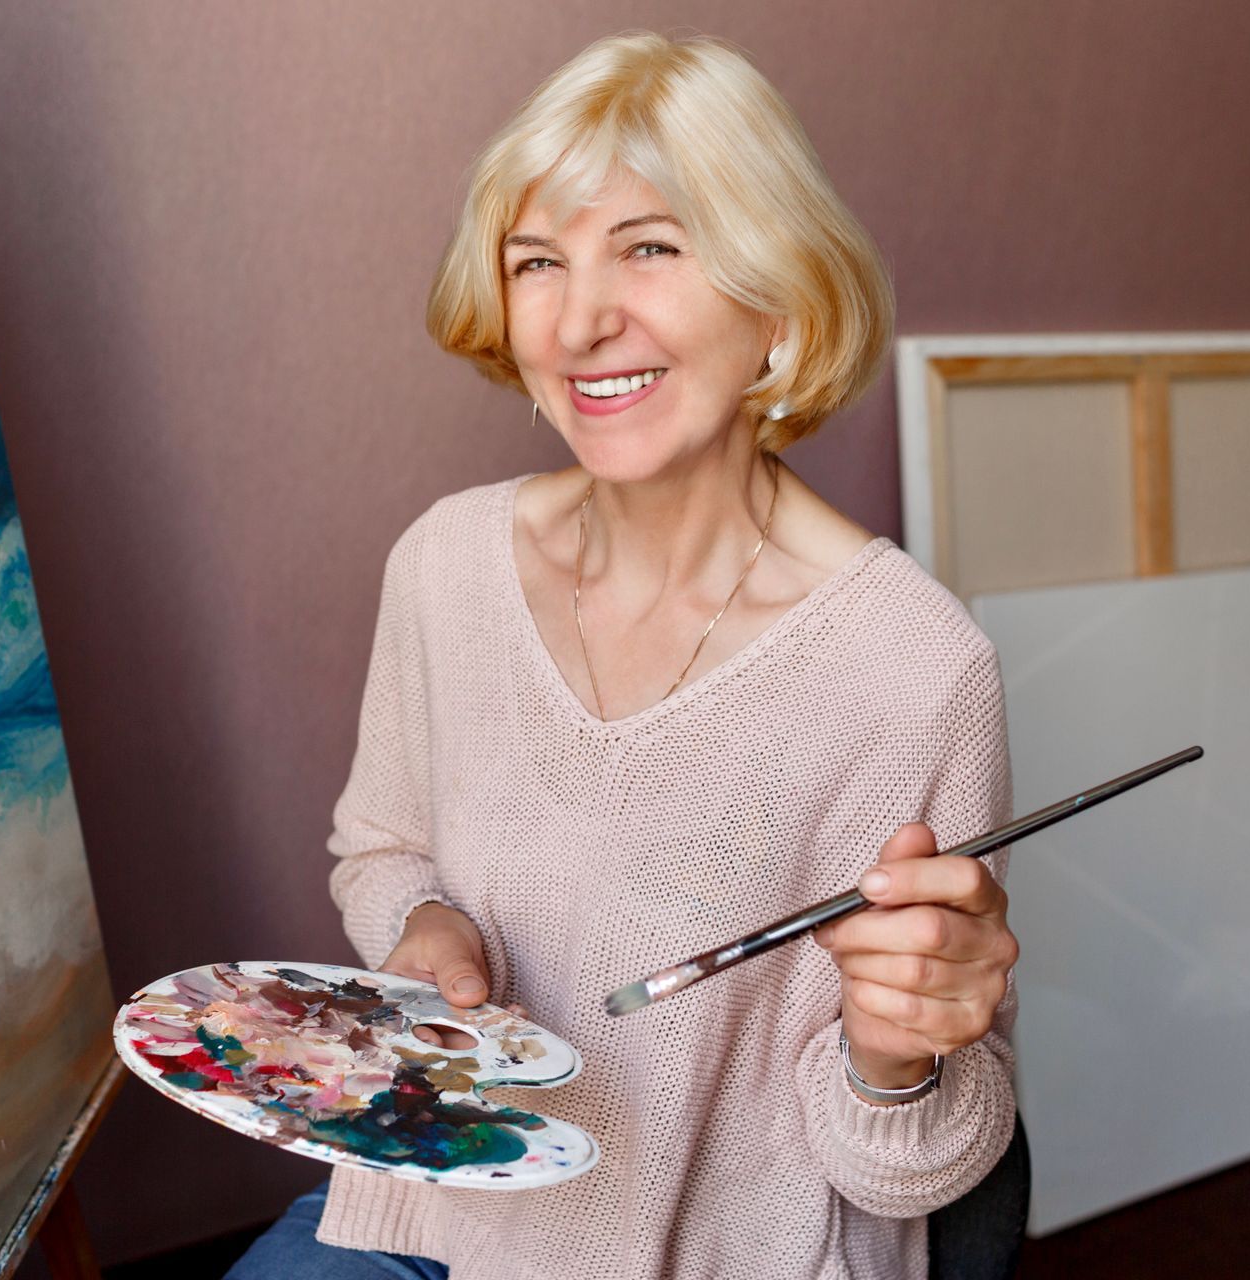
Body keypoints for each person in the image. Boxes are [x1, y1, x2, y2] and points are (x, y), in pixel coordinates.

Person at [229, 29, 1020, 1280]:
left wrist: (899, 1050)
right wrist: (427, 927)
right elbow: (381, 847)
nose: (583, 319)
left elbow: (914, 1170)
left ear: (780, 301)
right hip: (432, 1215)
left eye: (650, 246)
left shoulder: (913, 669)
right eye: (538, 262)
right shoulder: (445, 562)